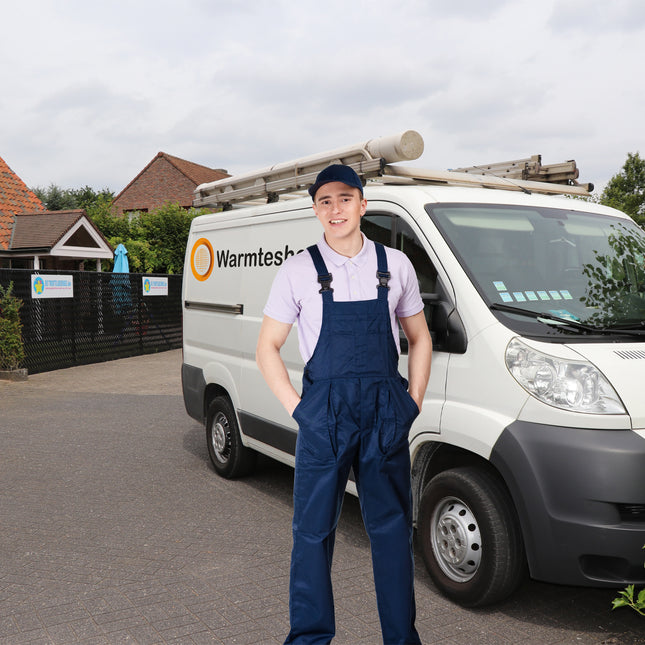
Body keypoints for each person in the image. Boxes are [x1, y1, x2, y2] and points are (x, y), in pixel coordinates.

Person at [256, 164, 432, 645]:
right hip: (324, 416)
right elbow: (266, 346)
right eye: (325, 201)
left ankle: (401, 639)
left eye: (345, 199)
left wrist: (412, 402)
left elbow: (419, 337)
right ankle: (310, 640)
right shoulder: (297, 270)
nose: (336, 210)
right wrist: (298, 409)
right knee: (312, 535)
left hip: (384, 413)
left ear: (362, 204)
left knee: (393, 532)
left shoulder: (395, 265)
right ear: (315, 209)